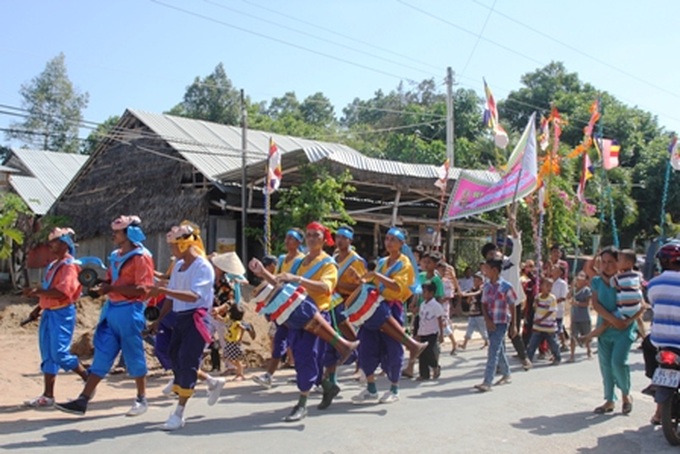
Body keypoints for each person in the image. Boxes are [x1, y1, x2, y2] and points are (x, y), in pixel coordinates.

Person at [249, 221, 359, 422]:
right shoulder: (299, 263)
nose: (311, 238)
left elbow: (326, 288)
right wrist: (262, 273)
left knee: (306, 358)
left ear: (324, 239)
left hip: (315, 316)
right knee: (302, 358)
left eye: (315, 235)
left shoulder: (328, 264)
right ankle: (327, 386)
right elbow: (281, 283)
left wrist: (298, 280)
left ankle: (302, 404)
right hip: (294, 316)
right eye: (308, 235)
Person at [55, 215, 155, 417]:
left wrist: (112, 287)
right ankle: (83, 399)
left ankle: (141, 398)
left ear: (129, 233)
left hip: (130, 310)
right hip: (112, 309)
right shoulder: (116, 256)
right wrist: (100, 289)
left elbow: (143, 288)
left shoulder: (141, 257)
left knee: (134, 354)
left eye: (117, 232)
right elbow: (110, 280)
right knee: (102, 354)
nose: (113, 235)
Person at [351, 227, 426, 404]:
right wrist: (360, 279)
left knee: (392, 347)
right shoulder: (383, 262)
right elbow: (372, 282)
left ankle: (394, 388)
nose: (389, 242)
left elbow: (396, 287)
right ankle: (371, 389)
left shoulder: (404, 263)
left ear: (401, 243)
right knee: (366, 346)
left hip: (391, 308)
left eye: (393, 239)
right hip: (374, 307)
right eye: (387, 239)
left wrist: (376, 275)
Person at [23, 227, 89, 408]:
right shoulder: (54, 265)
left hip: (61, 313)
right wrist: (39, 307)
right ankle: (48, 395)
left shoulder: (69, 266)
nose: (51, 244)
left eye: (55, 241)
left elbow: (62, 293)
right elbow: (50, 291)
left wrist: (37, 292)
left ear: (65, 243)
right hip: (49, 312)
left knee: (59, 353)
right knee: (48, 354)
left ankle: (87, 378)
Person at [587, 247, 643, 415]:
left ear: (619, 263)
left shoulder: (629, 280)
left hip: (624, 329)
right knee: (606, 366)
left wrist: (625, 322)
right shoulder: (597, 281)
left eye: (611, 261)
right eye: (603, 262)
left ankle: (626, 395)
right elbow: (596, 304)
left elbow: (641, 305)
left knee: (618, 363)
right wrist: (613, 320)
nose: (607, 265)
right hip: (605, 328)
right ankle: (609, 400)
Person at [318, 225, 366, 410]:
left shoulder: (356, 261)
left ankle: (363, 369)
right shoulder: (332, 259)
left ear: (350, 240)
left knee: (353, 339)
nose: (340, 241)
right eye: (338, 237)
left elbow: (361, 287)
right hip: (332, 303)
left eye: (344, 238)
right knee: (331, 341)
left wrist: (341, 286)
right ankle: (332, 379)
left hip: (348, 306)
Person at [253, 229, 305, 389]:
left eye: (291, 238)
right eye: (287, 237)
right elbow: (276, 281)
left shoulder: (302, 260)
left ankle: (304, 375)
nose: (287, 240)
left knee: (297, 343)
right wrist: (262, 273)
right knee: (278, 339)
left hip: (295, 305)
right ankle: (268, 376)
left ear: (298, 242)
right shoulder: (282, 259)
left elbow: (301, 283)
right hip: (281, 306)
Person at [480, 214, 531, 371]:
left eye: (493, 253)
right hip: (496, 306)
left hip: (512, 302)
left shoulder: (512, 261)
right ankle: (498, 364)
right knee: (497, 335)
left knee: (513, 332)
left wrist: (513, 226)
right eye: (489, 256)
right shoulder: (488, 272)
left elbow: (517, 244)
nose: (492, 256)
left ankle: (524, 358)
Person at [644, 242, 680, 425]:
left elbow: (652, 304)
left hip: (659, 340)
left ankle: (653, 377)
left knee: (646, 344)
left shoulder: (654, 283)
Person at [580, 249, 645, 345]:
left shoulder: (619, 278)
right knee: (637, 320)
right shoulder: (637, 275)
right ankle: (644, 336)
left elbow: (608, 282)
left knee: (607, 323)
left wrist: (601, 273)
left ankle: (587, 337)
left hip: (624, 313)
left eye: (613, 261)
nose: (606, 265)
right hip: (632, 309)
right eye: (603, 262)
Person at [474, 254, 517, 392]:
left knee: (493, 351)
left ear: (495, 270)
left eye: (487, 268)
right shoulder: (486, 286)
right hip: (490, 322)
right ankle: (506, 373)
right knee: (498, 349)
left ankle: (487, 381)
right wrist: (487, 320)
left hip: (502, 322)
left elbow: (512, 305)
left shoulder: (506, 286)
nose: (484, 271)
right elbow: (484, 304)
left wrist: (514, 325)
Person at [525, 277, 561, 365]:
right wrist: (535, 303)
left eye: (551, 286)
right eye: (547, 285)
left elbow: (551, 311)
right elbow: (535, 308)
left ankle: (557, 357)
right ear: (541, 286)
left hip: (549, 326)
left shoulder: (552, 298)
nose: (549, 288)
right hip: (538, 326)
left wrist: (541, 319)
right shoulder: (538, 297)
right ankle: (528, 359)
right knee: (532, 343)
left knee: (553, 344)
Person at [417, 282, 445, 380]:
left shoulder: (435, 305)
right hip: (423, 331)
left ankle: (435, 366)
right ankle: (424, 374)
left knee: (429, 351)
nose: (423, 294)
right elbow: (421, 319)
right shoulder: (422, 304)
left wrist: (441, 334)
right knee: (421, 353)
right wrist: (418, 332)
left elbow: (439, 319)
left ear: (431, 293)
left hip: (432, 332)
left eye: (425, 292)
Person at [221, 303, 255, 381]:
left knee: (235, 359)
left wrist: (240, 337)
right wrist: (217, 316)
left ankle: (240, 373)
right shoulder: (229, 320)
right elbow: (223, 320)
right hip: (229, 342)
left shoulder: (237, 323)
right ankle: (240, 370)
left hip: (234, 343)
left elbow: (242, 328)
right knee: (227, 357)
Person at [459, 272, 488, 350]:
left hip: (480, 314)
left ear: (481, 281)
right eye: (474, 280)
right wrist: (467, 295)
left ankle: (487, 341)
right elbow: (468, 301)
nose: (475, 282)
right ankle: (464, 344)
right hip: (472, 313)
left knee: (482, 330)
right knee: (469, 329)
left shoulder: (482, 289)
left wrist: (467, 294)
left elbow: (477, 294)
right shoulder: (472, 289)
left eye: (477, 280)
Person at [568, 271, 593, 362]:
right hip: (574, 317)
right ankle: (572, 355)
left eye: (582, 276)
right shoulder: (574, 290)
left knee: (586, 335)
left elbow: (587, 303)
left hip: (584, 317)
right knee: (573, 336)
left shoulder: (586, 290)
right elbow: (568, 297)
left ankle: (589, 350)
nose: (579, 277)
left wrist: (577, 303)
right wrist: (571, 288)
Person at [436, 261, 459, 354]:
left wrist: (440, 300)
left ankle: (454, 343)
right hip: (435, 306)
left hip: (443, 307)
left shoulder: (447, 282)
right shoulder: (436, 280)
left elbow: (449, 295)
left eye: (443, 270)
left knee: (444, 325)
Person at [551, 265, 569, 351]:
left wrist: (553, 302)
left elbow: (563, 297)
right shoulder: (550, 282)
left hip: (558, 309)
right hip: (549, 309)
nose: (553, 270)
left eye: (555, 269)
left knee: (558, 327)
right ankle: (562, 343)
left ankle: (563, 343)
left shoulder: (562, 283)